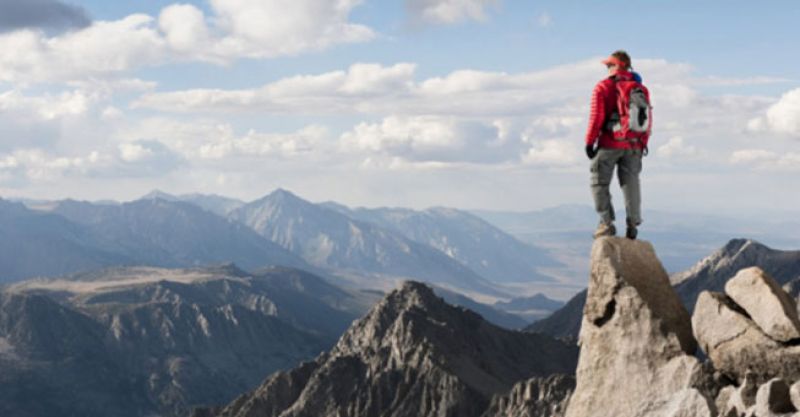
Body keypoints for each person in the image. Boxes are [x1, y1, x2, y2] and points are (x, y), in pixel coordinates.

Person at [585, 50, 651, 240]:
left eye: (609, 65)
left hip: (609, 143)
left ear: (616, 66)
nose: (607, 69)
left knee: (599, 182)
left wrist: (590, 141)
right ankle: (633, 224)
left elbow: (596, 117)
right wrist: (642, 143)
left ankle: (606, 223)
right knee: (631, 183)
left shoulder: (603, 87)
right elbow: (647, 119)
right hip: (635, 145)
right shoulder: (640, 89)